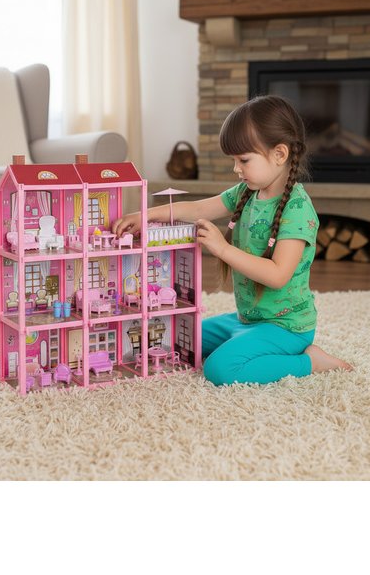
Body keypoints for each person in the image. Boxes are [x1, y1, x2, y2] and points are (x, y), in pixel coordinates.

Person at [112, 95, 353, 385]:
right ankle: (248, 342)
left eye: (244, 160)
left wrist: (223, 249)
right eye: (234, 160)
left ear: (280, 154)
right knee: (176, 336)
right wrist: (146, 215)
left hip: (286, 327)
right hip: (247, 320)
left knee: (221, 369)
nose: (236, 169)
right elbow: (199, 208)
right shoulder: (246, 193)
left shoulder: (297, 209)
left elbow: (278, 275)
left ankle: (310, 361)